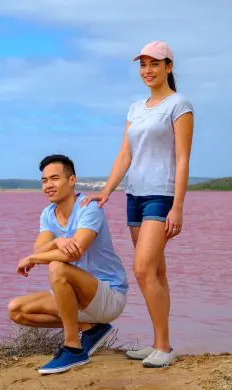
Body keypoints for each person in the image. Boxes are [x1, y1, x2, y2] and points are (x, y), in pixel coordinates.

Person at [81, 40, 195, 368]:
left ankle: (164, 348)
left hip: (162, 195)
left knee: (143, 269)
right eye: (143, 65)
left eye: (155, 64)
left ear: (169, 67)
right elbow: (125, 154)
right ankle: (160, 343)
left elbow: (183, 159)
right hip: (135, 195)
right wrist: (106, 191)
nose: (148, 70)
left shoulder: (179, 105)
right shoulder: (135, 108)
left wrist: (178, 206)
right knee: (156, 271)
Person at [8, 154, 129, 375]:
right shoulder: (48, 214)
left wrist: (34, 259)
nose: (48, 185)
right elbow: (39, 249)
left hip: (108, 295)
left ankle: (73, 348)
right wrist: (56, 241)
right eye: (44, 180)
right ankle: (90, 330)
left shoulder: (88, 208)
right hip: (78, 299)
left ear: (71, 180)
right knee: (16, 310)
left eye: (55, 178)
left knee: (57, 267)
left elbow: (72, 254)